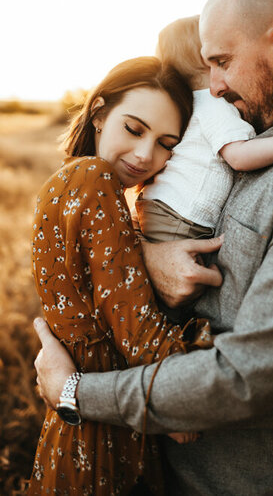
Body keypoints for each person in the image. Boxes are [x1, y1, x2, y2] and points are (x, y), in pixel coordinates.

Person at [34, 0, 273, 496]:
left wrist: (74, 393)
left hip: (232, 482)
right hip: (156, 462)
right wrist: (146, 256)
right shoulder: (251, 129)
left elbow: (246, 376)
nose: (214, 84)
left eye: (222, 62)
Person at [28, 56, 214, 496]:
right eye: (134, 129)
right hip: (103, 426)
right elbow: (135, 330)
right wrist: (178, 401)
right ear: (99, 114)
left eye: (167, 143)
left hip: (84, 412)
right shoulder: (94, 178)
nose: (146, 155)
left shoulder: (63, 183)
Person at [135, 15, 273, 245]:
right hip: (180, 214)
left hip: (162, 208)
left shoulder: (190, 103)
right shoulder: (214, 106)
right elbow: (240, 157)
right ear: (208, 59)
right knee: (186, 273)